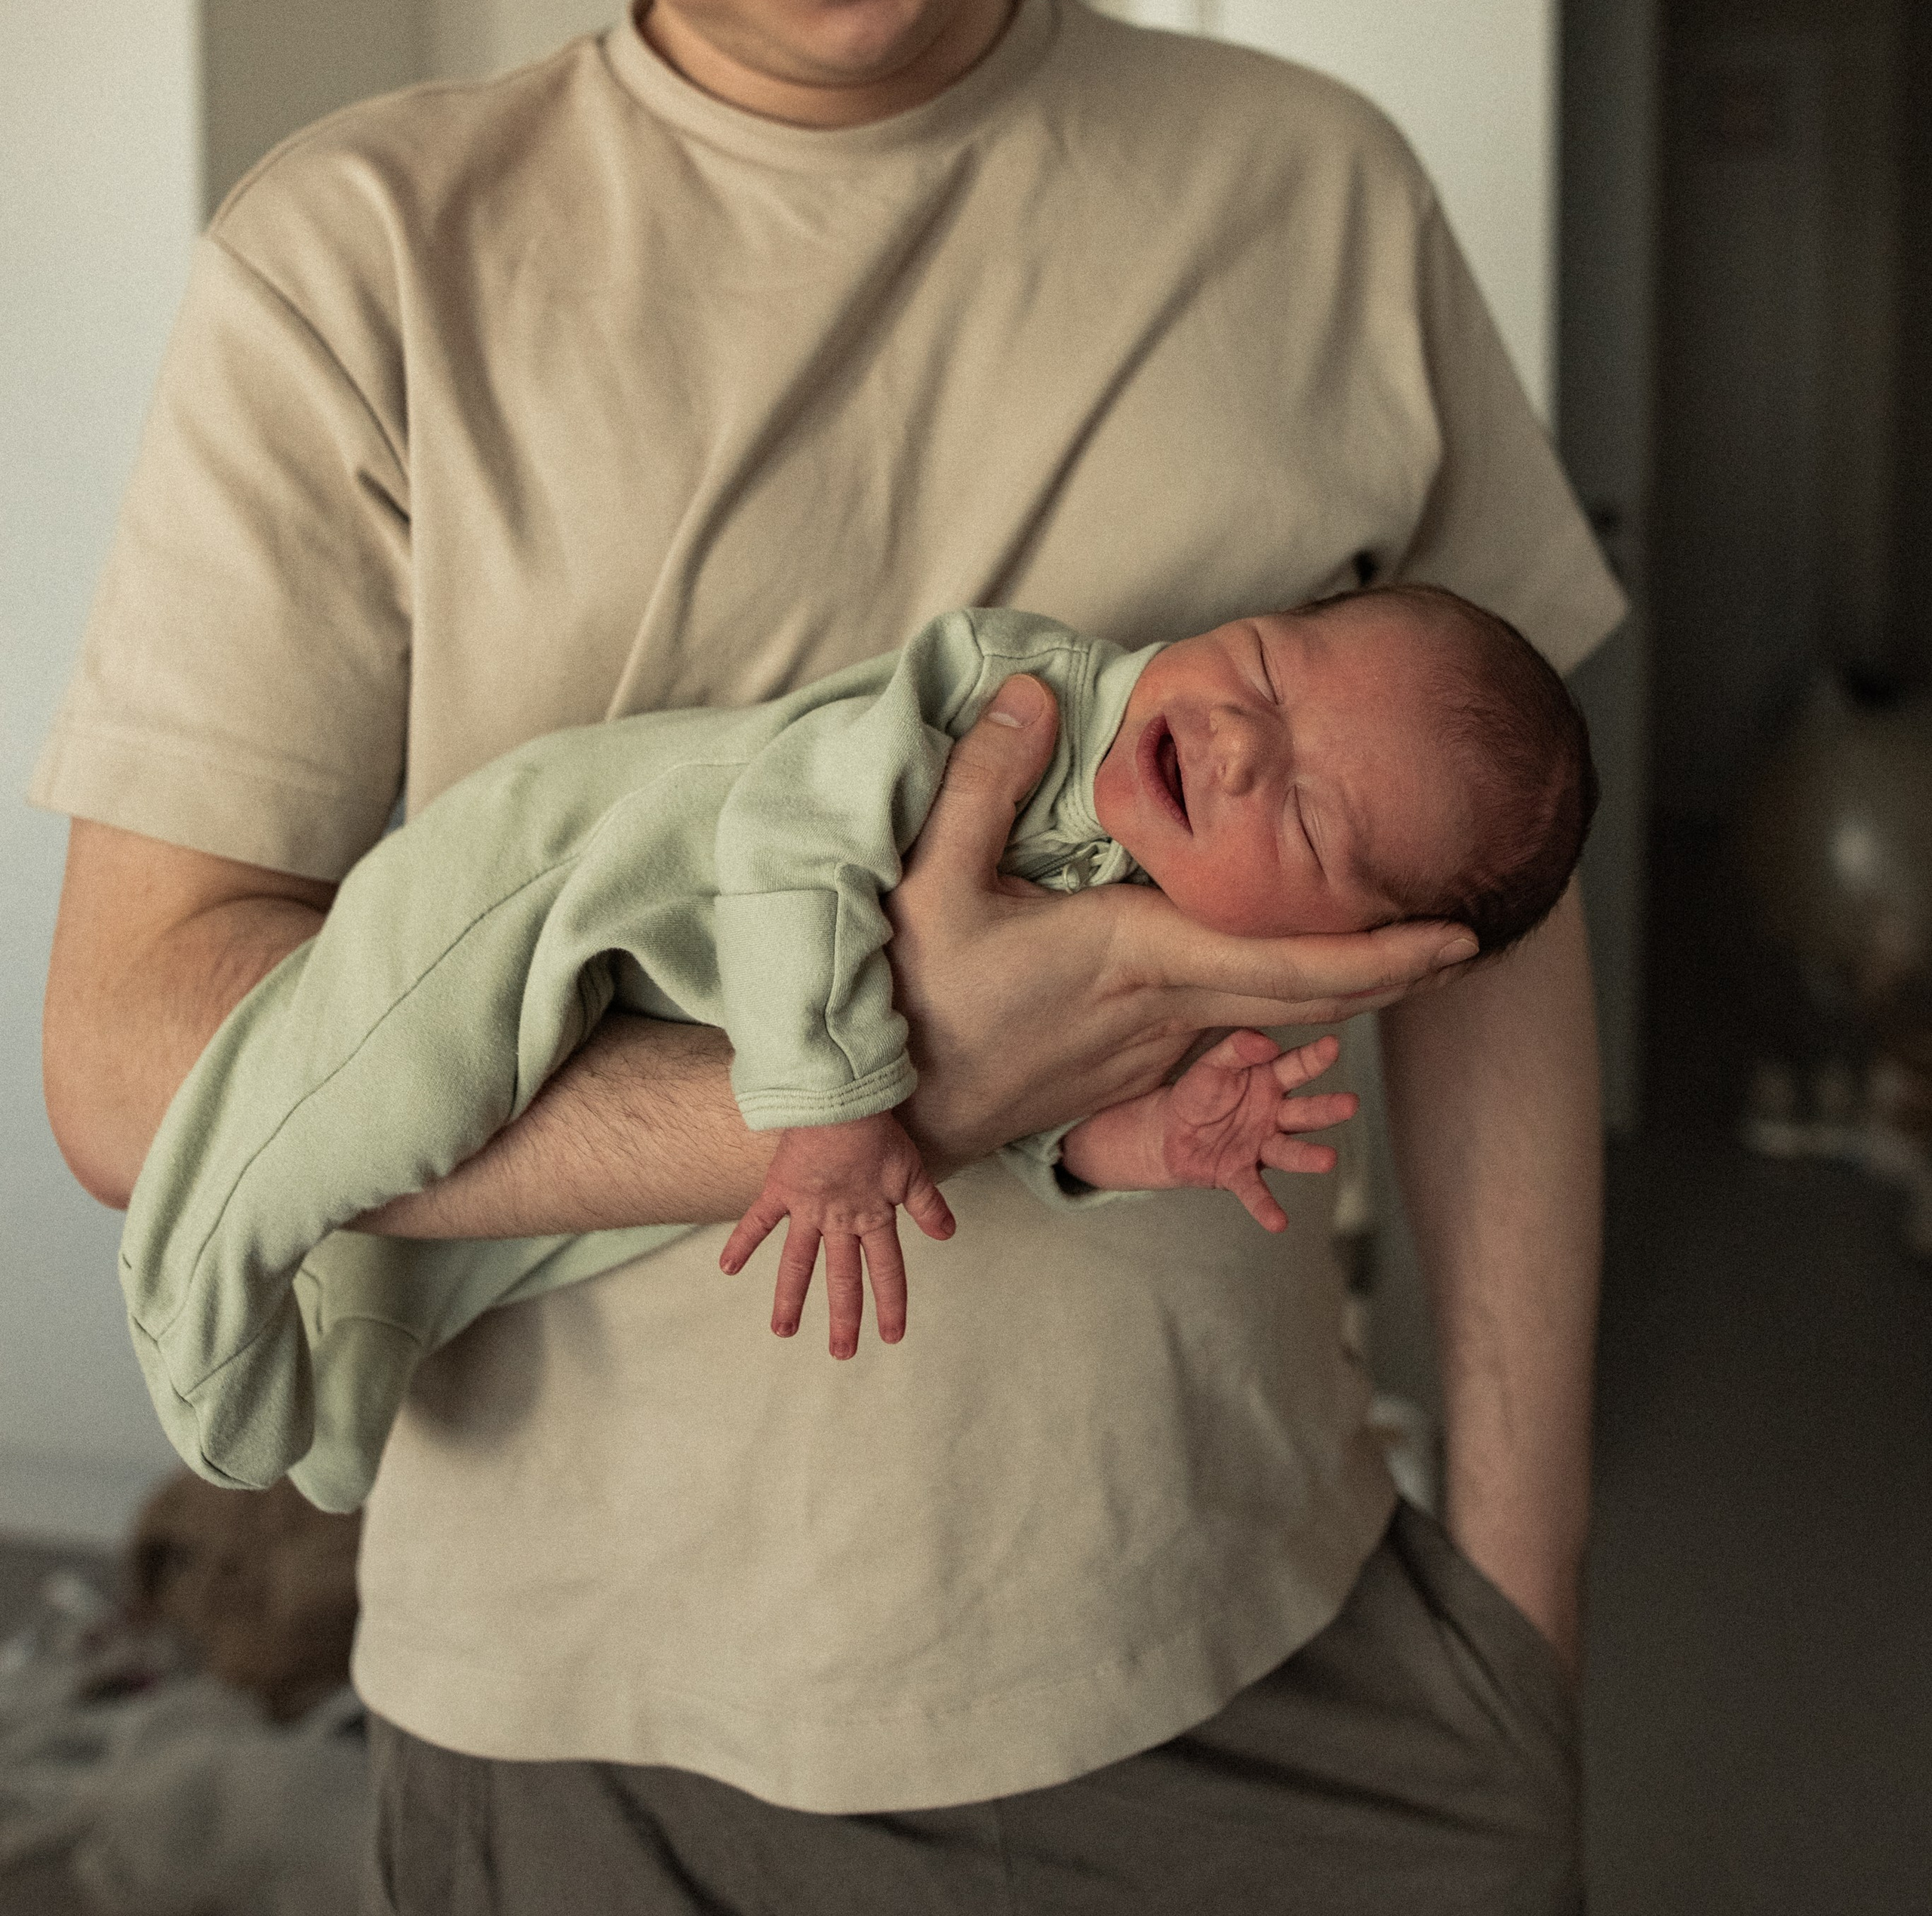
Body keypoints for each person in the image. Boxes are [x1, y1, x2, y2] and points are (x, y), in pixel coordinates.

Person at [38, 0, 1621, 1909]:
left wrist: (1519, 1611)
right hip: (592, 1729)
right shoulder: (358, 263)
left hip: (1273, 1641)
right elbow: (138, 1049)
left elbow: (1503, 935)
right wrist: (884, 1083)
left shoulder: (1309, 184)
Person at [121, 585, 1596, 1509]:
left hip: (648, 1007)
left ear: (1343, 946)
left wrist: (1132, 1136)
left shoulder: (1156, 927)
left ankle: (330, 1376)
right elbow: (786, 833)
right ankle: (192, 1283)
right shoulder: (1022, 692)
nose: (1231, 737)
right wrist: (830, 1108)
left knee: (462, 1250)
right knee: (357, 1095)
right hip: (553, 884)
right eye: (1267, 663)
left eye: (1307, 815)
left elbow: (1010, 1092)